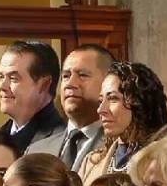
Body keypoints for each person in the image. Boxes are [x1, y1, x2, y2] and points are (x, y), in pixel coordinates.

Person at [72, 61, 167, 186]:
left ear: (139, 102)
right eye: (101, 100)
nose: (101, 110)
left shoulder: (164, 160)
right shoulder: (93, 161)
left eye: (113, 99)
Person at [27, 44, 115, 172]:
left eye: (82, 75)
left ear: (108, 82)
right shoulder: (36, 152)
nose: (70, 84)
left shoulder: (121, 149)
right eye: (66, 76)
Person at [0, 40, 67, 154]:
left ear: (44, 84)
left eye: (13, 78)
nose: (2, 86)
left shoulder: (63, 142)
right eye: (1, 77)